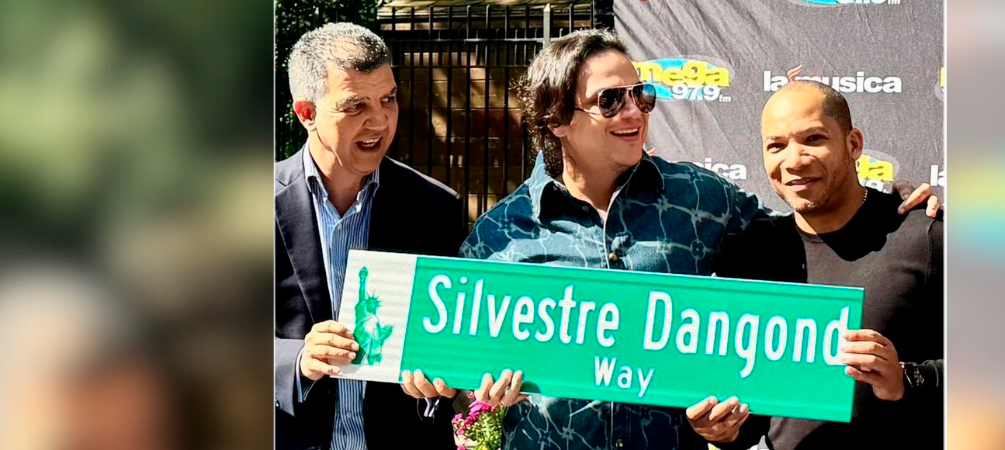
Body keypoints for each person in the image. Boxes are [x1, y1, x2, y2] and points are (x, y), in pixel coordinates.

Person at [415, 29, 937, 450]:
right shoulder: (499, 236)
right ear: (557, 119)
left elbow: (808, 224)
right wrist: (466, 399)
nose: (634, 111)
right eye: (611, 100)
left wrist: (898, 204)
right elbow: (467, 415)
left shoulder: (700, 198)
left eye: (641, 95)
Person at [693, 80, 944, 449]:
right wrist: (724, 430)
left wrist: (907, 378)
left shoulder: (925, 237)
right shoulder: (754, 255)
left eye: (813, 139)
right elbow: (754, 416)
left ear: (853, 144)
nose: (793, 160)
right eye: (776, 146)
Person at [274, 22, 465, 450]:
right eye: (356, 105)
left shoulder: (436, 207)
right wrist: (297, 359)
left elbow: (450, 345)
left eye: (388, 100)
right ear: (307, 113)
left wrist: (443, 381)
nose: (379, 121)